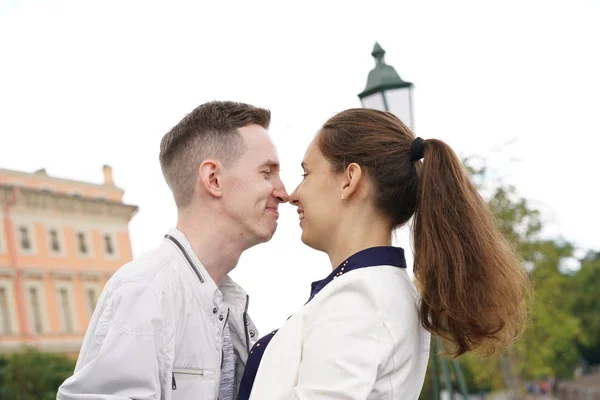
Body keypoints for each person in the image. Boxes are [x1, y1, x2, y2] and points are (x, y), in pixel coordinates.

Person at [238, 108, 530, 400]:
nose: (293, 194)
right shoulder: (372, 290)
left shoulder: (360, 298)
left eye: (307, 173)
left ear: (350, 179)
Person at [57, 100, 289, 400]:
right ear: (214, 179)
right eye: (266, 173)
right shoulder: (147, 291)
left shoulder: (228, 305)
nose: (284, 192)